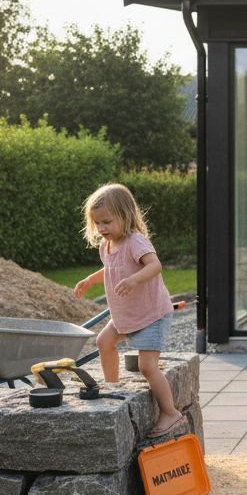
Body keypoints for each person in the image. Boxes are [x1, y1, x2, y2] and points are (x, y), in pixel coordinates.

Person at [74, 183, 183, 438]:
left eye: (107, 222)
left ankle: (170, 412)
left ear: (125, 216)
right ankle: (112, 386)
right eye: (97, 223)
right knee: (104, 342)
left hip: (152, 315)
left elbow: (155, 265)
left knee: (147, 366)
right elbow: (111, 269)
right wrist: (91, 279)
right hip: (127, 315)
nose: (101, 228)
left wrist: (135, 280)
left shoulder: (136, 241)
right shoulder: (106, 246)